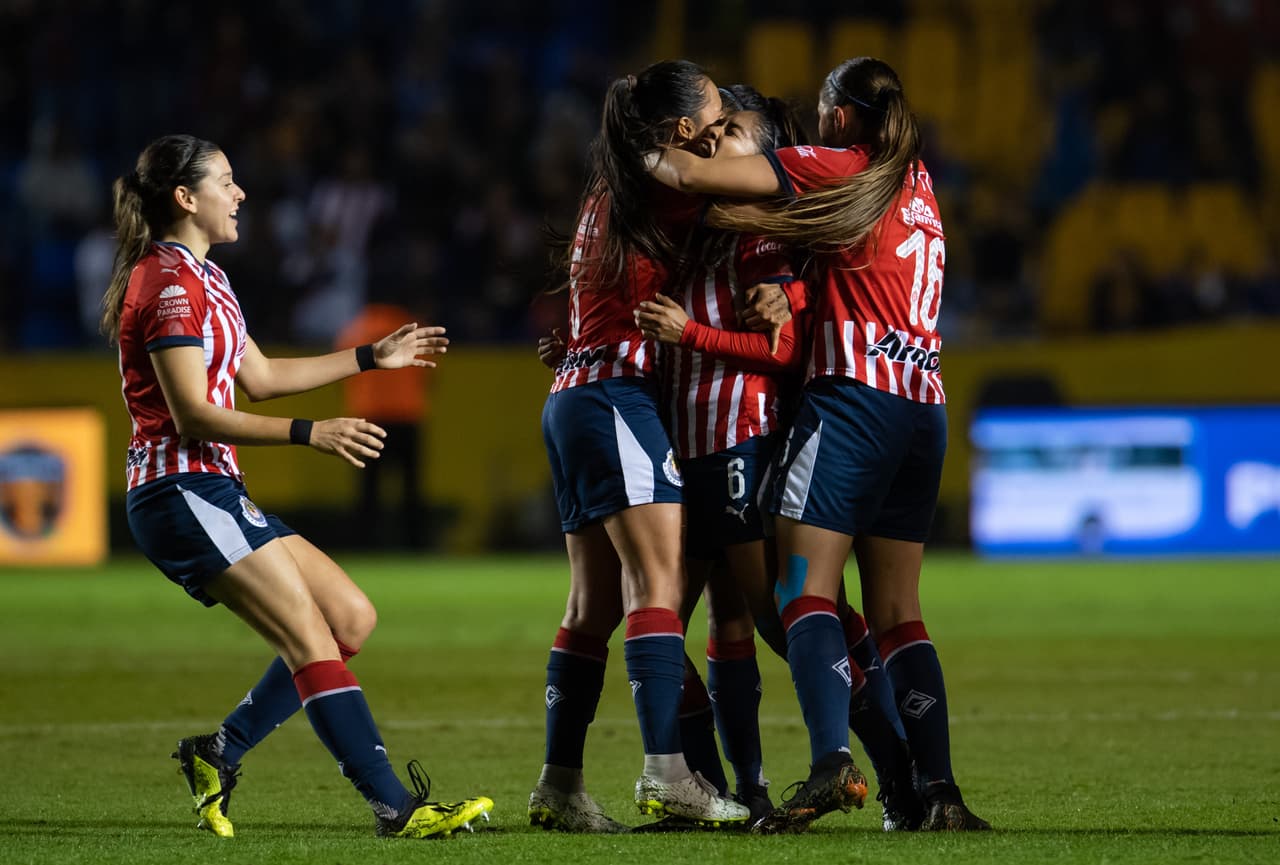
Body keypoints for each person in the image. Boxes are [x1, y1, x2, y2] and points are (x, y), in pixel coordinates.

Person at [103, 134, 492, 840]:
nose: (241, 192)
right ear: (185, 198)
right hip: (179, 490)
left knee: (349, 619)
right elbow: (192, 413)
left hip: (211, 487)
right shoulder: (163, 283)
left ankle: (218, 753)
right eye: (227, 180)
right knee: (311, 632)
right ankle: (394, 808)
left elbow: (261, 376)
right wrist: (310, 432)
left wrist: (373, 356)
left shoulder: (207, 277)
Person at [647, 58, 991, 832]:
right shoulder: (918, 183)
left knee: (801, 594)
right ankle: (935, 790)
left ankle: (834, 760)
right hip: (923, 407)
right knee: (898, 610)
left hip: (853, 405)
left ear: (837, 118)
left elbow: (700, 183)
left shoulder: (835, 164)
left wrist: (628, 145)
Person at [528, 60, 750, 833]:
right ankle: (667, 774)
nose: (726, 124)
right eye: (717, 112)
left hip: (574, 399)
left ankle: (559, 786)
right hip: (615, 395)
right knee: (655, 583)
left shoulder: (612, 182)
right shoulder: (665, 174)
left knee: (590, 606)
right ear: (682, 129)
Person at [335, 295, 431, 549]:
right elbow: (430, 374)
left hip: (369, 416)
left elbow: (340, 372)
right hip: (407, 416)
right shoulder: (414, 328)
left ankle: (366, 545)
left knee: (368, 491)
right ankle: (414, 545)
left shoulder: (355, 329)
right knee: (411, 490)